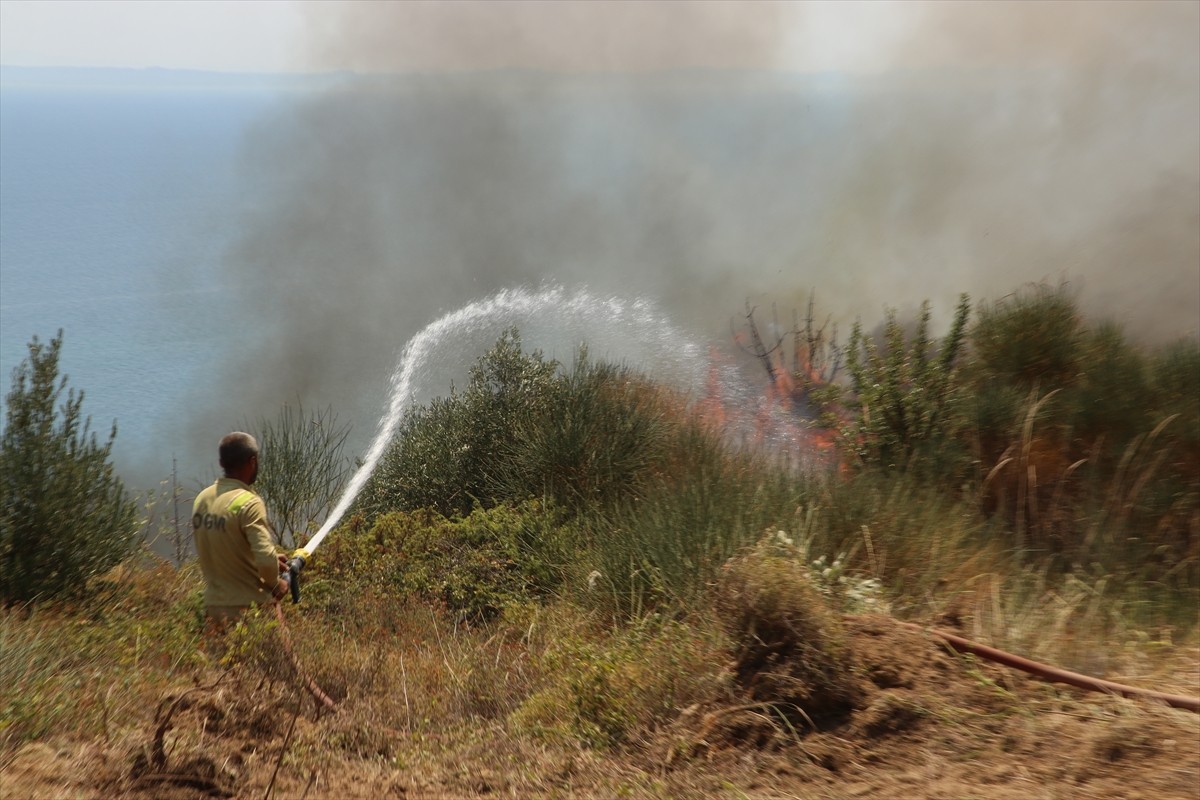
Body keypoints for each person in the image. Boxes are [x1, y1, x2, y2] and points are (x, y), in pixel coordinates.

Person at [192, 431, 288, 635]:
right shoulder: (248, 502)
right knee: (281, 667)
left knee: (222, 668)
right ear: (252, 461)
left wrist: (258, 559)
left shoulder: (202, 499)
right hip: (250, 609)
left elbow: (224, 545)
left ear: (221, 462)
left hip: (214, 609)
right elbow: (264, 561)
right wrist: (276, 583)